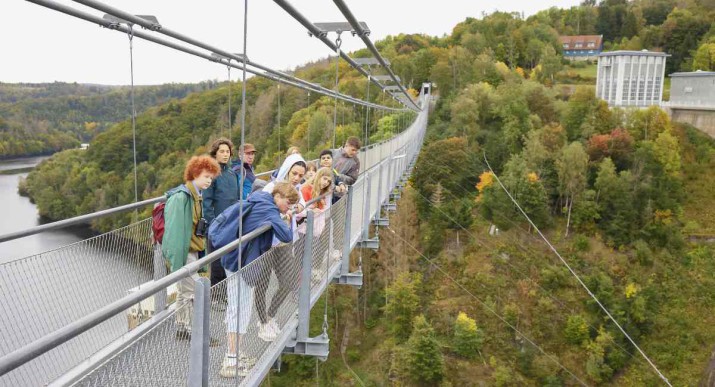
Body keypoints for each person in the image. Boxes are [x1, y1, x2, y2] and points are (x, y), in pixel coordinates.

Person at [220, 182, 298, 378]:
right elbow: (287, 236)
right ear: (278, 196)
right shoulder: (269, 210)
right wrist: (284, 219)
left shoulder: (259, 200)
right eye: (287, 203)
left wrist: (281, 216)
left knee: (241, 308)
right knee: (239, 309)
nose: (287, 208)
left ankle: (234, 354)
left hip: (238, 260)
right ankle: (230, 359)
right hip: (241, 263)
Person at [162, 155, 220, 340]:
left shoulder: (197, 196)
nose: (209, 181)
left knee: (184, 291)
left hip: (193, 250)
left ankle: (181, 328)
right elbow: (173, 231)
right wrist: (175, 261)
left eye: (211, 178)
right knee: (197, 291)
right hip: (184, 252)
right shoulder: (181, 198)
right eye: (206, 177)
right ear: (195, 174)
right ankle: (199, 334)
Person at [203, 138, 239, 289]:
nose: (225, 154)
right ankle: (216, 296)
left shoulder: (232, 174)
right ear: (215, 154)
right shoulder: (210, 174)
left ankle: (224, 294)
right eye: (222, 151)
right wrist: (214, 225)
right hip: (217, 226)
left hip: (232, 223)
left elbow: (237, 199)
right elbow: (206, 202)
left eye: (228, 152)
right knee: (217, 263)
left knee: (230, 260)